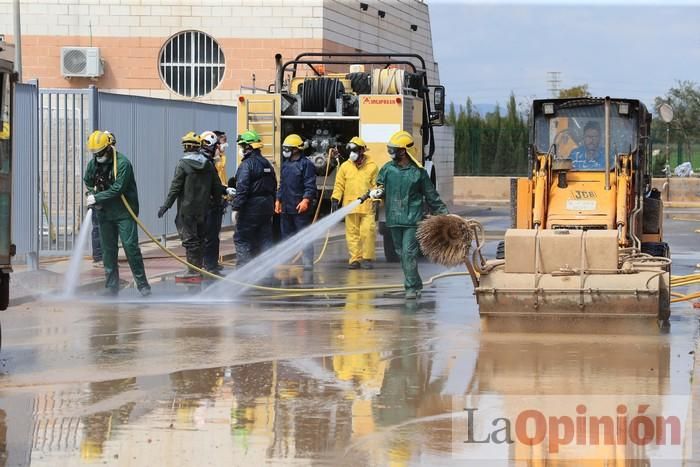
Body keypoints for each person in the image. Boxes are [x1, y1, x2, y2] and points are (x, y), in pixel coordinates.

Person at [370, 130, 448, 300]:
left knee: (408, 253)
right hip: (394, 220)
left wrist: (445, 215)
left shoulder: (418, 173)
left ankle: (411, 288)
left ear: (403, 151)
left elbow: (431, 196)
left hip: (412, 220)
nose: (391, 153)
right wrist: (377, 192)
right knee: (401, 254)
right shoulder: (387, 169)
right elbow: (380, 186)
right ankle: (416, 283)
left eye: (393, 150)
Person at [84, 130, 151, 297]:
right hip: (104, 213)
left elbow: (118, 188)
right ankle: (111, 286)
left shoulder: (123, 164)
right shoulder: (94, 164)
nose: (97, 156)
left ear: (108, 148)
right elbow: (88, 180)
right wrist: (91, 193)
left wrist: (97, 196)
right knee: (108, 250)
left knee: (130, 247)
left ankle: (143, 285)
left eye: (99, 152)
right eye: (94, 153)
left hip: (124, 212)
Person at [158, 132, 228, 278]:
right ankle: (198, 270)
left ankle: (193, 272)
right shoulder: (208, 164)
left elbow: (175, 188)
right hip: (203, 210)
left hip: (186, 210)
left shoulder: (183, 164)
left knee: (190, 242)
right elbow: (216, 186)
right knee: (201, 240)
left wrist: (166, 206)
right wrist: (217, 203)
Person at [231, 129, 277, 265]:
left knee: (242, 238)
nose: (241, 149)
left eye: (242, 146)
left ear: (248, 147)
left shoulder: (246, 165)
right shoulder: (267, 164)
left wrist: (236, 207)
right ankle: (267, 270)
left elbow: (242, 188)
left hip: (251, 207)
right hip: (267, 205)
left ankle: (244, 272)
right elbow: (274, 185)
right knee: (265, 238)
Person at [331, 136, 378, 269]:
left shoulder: (372, 167)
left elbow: (377, 185)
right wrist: (335, 199)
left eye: (355, 150)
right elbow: (339, 185)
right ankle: (355, 259)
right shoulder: (345, 167)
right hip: (350, 207)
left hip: (367, 206)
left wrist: (375, 195)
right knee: (352, 234)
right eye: (350, 151)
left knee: (367, 232)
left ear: (362, 151)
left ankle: (367, 258)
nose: (352, 154)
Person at [275, 133, 317, 270]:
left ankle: (307, 261)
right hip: (286, 207)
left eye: (287, 148)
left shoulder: (306, 165)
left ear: (296, 149)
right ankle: (287, 259)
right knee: (286, 236)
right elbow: (282, 184)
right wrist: (278, 200)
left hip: (300, 208)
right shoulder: (286, 164)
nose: (285, 151)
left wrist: (305, 200)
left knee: (304, 235)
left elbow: (310, 184)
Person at [200, 130, 227, 273]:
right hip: (209, 205)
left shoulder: (209, 162)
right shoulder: (206, 163)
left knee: (212, 236)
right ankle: (209, 264)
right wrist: (224, 191)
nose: (220, 148)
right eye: (218, 145)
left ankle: (211, 263)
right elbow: (213, 184)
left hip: (213, 204)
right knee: (209, 236)